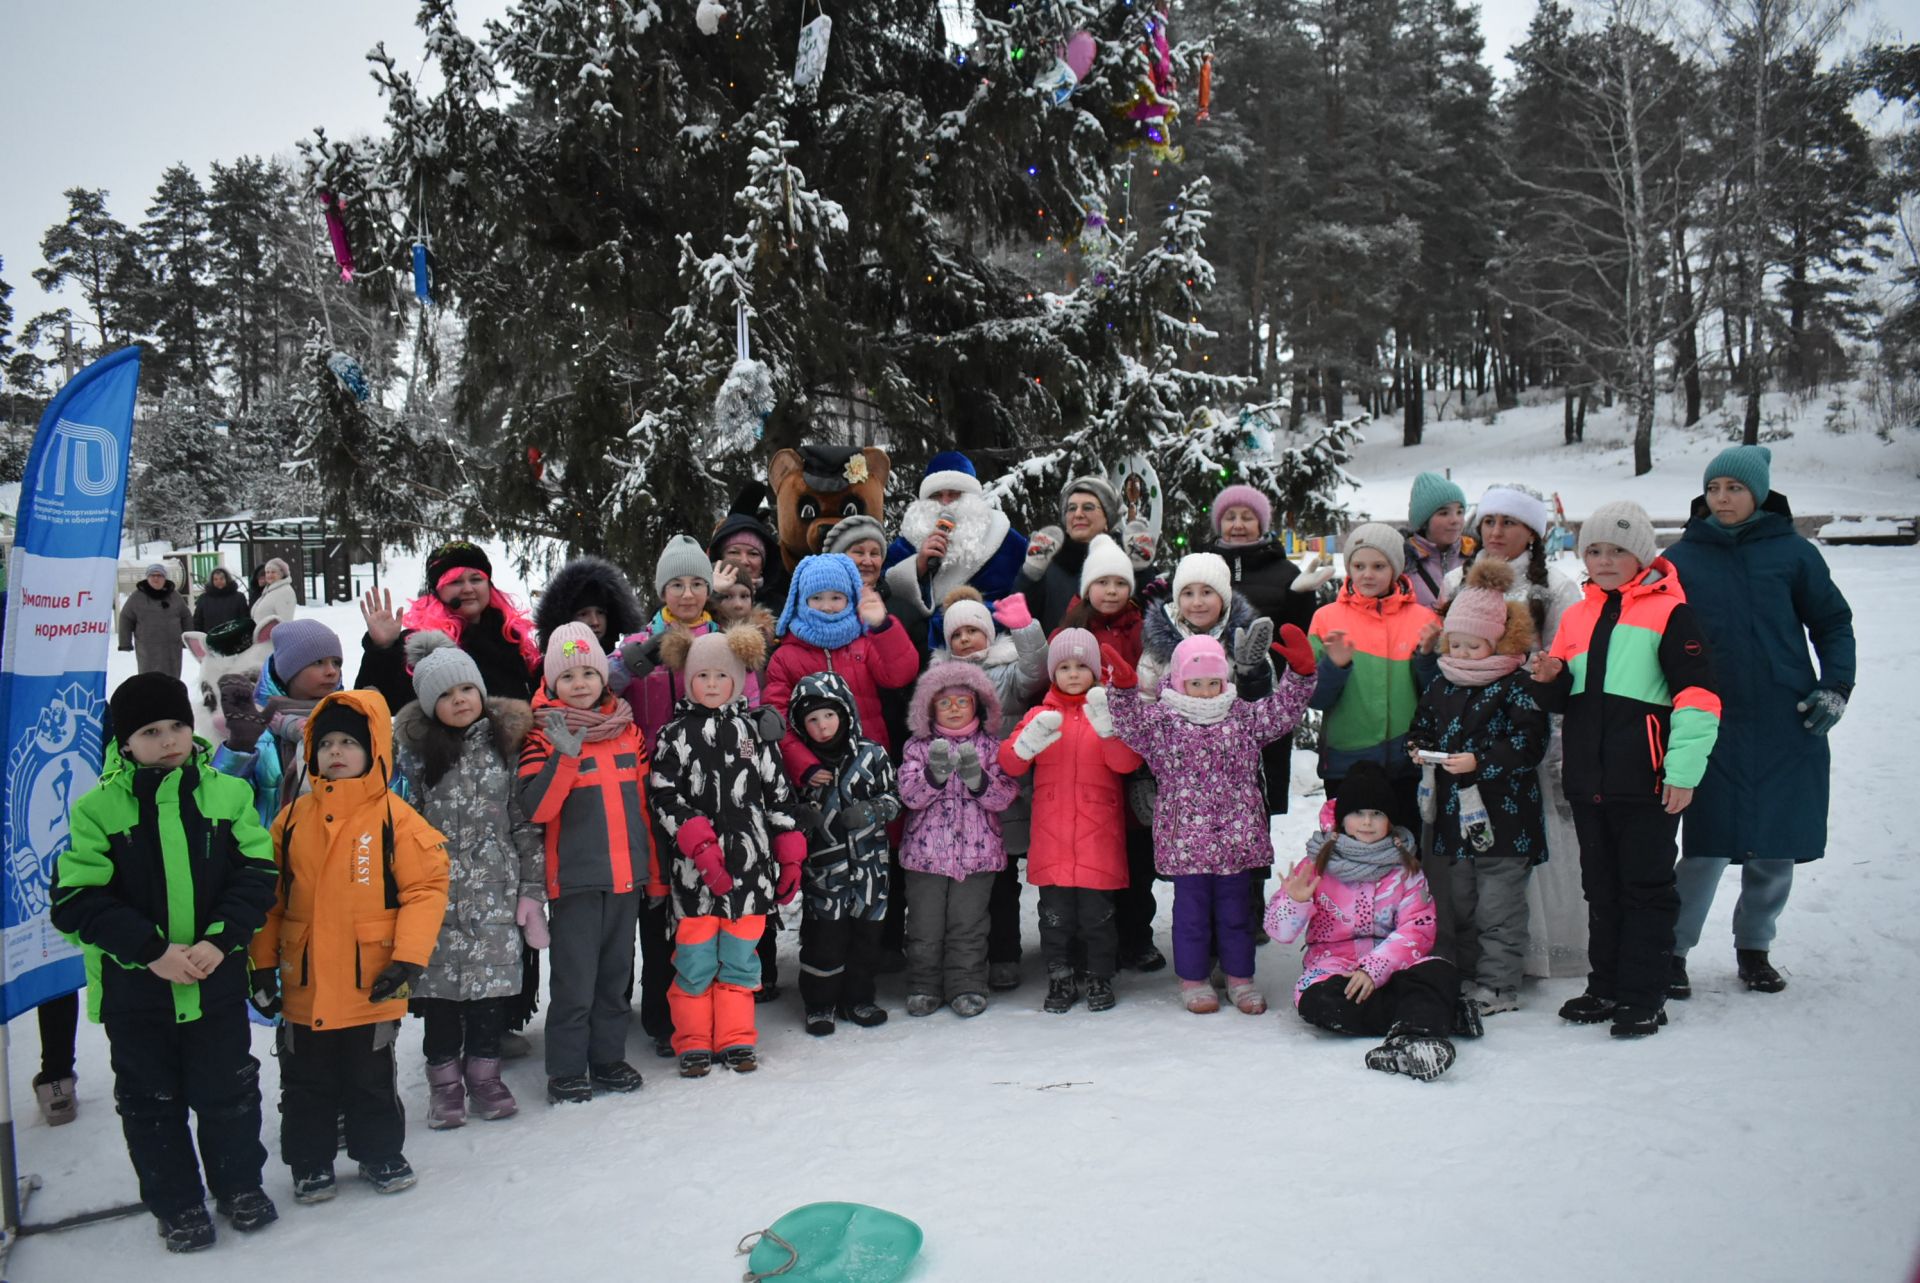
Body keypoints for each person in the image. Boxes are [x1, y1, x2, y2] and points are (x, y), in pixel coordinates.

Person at [52, 673, 279, 1252]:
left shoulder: (226, 795)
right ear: (126, 742)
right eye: (151, 731)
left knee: (229, 1093)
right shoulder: (98, 809)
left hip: (215, 984)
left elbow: (257, 874)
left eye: (177, 725)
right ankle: (176, 1203)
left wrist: (221, 939)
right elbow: (76, 900)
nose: (170, 740)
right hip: (139, 997)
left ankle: (239, 1186)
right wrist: (151, 953)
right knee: (151, 1105)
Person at [1663, 447, 1854, 997]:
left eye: (1735, 489)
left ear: (1760, 494)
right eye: (1715, 488)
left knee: (1774, 842)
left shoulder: (1795, 554)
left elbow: (1833, 623)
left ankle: (1755, 948)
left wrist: (1836, 685)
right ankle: (1674, 951)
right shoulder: (1681, 560)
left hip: (1782, 716)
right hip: (1706, 719)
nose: (1723, 498)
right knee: (1704, 844)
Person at [249, 689, 450, 1202]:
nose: (336, 752)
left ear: (375, 750)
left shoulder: (395, 818)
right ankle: (310, 1161)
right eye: (327, 743)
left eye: (349, 743)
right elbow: (268, 902)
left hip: (371, 983)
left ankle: (380, 1152)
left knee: (371, 1077)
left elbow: (425, 889)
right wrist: (261, 965)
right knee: (304, 1081)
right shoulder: (290, 820)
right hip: (305, 982)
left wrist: (407, 957)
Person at [1530, 502, 1720, 1038]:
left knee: (1646, 890)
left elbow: (1699, 697)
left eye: (1618, 550)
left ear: (1642, 555)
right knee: (1602, 888)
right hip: (1589, 781)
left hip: (1649, 782)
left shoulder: (1671, 613)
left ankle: (1644, 993)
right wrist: (1548, 678)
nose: (1606, 560)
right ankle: (1605, 985)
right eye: (1595, 550)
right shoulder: (1578, 615)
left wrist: (1682, 772)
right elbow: (1563, 697)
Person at [1107, 628, 1317, 1015]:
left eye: (1213, 682)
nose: (1205, 691)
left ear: (1225, 680)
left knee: (1237, 915)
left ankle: (1240, 979)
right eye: (1196, 682)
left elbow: (1281, 713)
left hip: (1236, 840)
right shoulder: (1163, 722)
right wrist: (1122, 689)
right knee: (1191, 918)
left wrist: (1300, 676)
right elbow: (1129, 721)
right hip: (1186, 841)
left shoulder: (1242, 717)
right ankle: (1194, 980)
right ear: (1179, 681)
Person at [391, 633, 546, 1126]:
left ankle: (484, 1078)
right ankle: (445, 1087)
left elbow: (523, 821)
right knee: (438, 1001)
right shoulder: (414, 757)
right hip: (434, 901)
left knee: (488, 999)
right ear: (429, 705)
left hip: (494, 898)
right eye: (446, 695)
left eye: (466, 691)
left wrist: (530, 891)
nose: (459, 701)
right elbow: (400, 823)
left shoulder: (505, 749)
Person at [648, 626, 810, 1077]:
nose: (713, 684)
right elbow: (662, 794)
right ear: (688, 680)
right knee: (696, 963)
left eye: (722, 675)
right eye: (703, 676)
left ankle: (737, 1040)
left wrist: (790, 851)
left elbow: (778, 794)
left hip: (750, 876)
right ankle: (694, 1041)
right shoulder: (674, 734)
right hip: (694, 878)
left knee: (740, 962)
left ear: (738, 678)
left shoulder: (754, 733)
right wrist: (697, 843)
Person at [1448, 484, 1586, 980]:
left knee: (1529, 837)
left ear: (1533, 531)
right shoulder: (1456, 581)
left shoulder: (1557, 590)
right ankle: (1475, 949)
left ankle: (1533, 949)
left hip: (1529, 732)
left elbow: (1570, 663)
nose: (1497, 532)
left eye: (1510, 522)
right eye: (1489, 522)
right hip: (1465, 732)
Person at [1408, 559, 1549, 1020]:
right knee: (1460, 900)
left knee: (1499, 906)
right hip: (1455, 818)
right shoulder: (1441, 683)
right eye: (1457, 643)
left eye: (1475, 645)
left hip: (1506, 821)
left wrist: (1482, 762)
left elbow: (1529, 744)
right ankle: (1470, 972)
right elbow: (1423, 726)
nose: (1464, 654)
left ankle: (1500, 982)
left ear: (1498, 641)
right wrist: (1420, 750)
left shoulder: (1516, 685)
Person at [516, 624, 652, 1103]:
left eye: (588, 672)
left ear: (603, 677)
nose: (579, 683)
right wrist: (566, 757)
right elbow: (537, 809)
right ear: (552, 684)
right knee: (576, 980)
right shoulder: (542, 736)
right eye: (567, 675)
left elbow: (643, 811)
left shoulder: (627, 732)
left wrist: (651, 877)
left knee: (616, 977)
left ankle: (608, 1057)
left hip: (625, 879)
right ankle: (567, 1067)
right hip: (574, 881)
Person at [1264, 762, 1457, 1081]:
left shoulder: (1405, 869)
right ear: (1342, 819)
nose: (1367, 822)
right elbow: (1278, 931)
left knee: (1440, 971)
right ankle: (1428, 1014)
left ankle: (1411, 1037)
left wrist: (1375, 968)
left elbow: (1418, 928)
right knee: (1316, 1000)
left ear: (1390, 820)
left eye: (1377, 814)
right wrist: (1294, 901)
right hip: (1334, 967)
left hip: (1394, 966)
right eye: (1358, 813)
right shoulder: (1317, 864)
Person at [996, 629, 1143, 1013]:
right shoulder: (1038, 715)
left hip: (1099, 837)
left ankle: (1099, 976)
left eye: (1082, 666)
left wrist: (1110, 730)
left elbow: (1127, 763)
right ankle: (1060, 977)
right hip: (1052, 837)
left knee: (1098, 917)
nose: (1073, 673)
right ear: (1052, 672)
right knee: (1055, 917)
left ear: (1095, 672)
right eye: (1064, 667)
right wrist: (1027, 741)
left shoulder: (1106, 712)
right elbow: (1009, 763)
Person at [898, 661, 1019, 1018]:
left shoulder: (991, 747)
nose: (954, 709)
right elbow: (910, 795)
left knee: (968, 926)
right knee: (924, 925)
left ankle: (966, 985)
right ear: (929, 708)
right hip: (926, 857)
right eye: (945, 703)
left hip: (977, 856)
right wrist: (934, 777)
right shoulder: (918, 748)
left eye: (962, 702)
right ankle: (923, 984)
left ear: (977, 706)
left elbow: (1005, 796)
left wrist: (977, 779)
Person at [785, 672, 901, 1035]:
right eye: (813, 720)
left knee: (867, 939)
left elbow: (895, 798)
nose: (822, 727)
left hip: (870, 870)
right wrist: (803, 815)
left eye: (829, 716)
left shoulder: (872, 755)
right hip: (825, 871)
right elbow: (784, 807)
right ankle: (820, 1003)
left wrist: (872, 812)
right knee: (825, 940)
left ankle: (859, 997)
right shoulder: (802, 766)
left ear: (846, 713)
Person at [1306, 523, 1442, 827]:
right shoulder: (1326, 619)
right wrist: (1335, 666)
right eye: (1359, 565)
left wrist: (1426, 657)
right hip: (1346, 762)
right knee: (1349, 852)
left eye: (1378, 566)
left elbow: (1436, 696)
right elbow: (1314, 698)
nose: (1367, 574)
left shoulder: (1423, 619)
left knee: (1406, 851)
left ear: (1395, 568)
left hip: (1407, 762)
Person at [358, 540, 542, 715]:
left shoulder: (512, 638)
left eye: (476, 579)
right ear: (437, 590)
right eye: (455, 582)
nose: (468, 589)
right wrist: (382, 649)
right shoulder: (420, 645)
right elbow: (373, 705)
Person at [882, 451, 1030, 640]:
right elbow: (882, 588)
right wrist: (917, 567)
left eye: (954, 494)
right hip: (928, 647)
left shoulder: (1002, 535)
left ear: (971, 497)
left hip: (993, 641)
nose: (945, 503)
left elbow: (1029, 591)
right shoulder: (911, 539)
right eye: (936, 495)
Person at [213, 618, 345, 827]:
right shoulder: (255, 726)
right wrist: (238, 749)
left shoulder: (347, 720)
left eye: (336, 662)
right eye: (318, 662)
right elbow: (219, 800)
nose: (331, 671)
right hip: (270, 848)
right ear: (287, 670)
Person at [1018, 476, 1155, 634]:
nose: (1078, 514)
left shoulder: (1127, 561)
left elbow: (1154, 621)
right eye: (1071, 508)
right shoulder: (1046, 561)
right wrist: (1030, 575)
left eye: (1088, 507)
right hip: (1058, 657)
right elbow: (1017, 624)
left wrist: (1142, 572)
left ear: (1107, 519)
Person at [534, 555, 645, 659]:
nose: (595, 621)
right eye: (583, 614)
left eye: (600, 613)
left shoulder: (624, 667)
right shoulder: (550, 669)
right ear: (566, 620)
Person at [1402, 472, 1470, 609]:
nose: (1455, 520)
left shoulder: (1477, 556)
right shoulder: (1402, 564)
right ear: (1424, 521)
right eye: (1444, 513)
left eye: (1460, 512)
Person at [119, 562, 192, 679]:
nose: (156, 578)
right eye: (153, 575)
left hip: (172, 648)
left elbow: (186, 616)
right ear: (148, 578)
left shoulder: (174, 596)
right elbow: (126, 618)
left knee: (172, 679)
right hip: (147, 649)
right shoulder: (137, 597)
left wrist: (188, 639)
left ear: (164, 578)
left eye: (159, 575)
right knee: (149, 679)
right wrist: (125, 643)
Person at [191, 567, 251, 634]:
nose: (218, 581)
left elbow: (244, 619)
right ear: (212, 581)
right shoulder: (204, 599)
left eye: (221, 579)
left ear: (227, 579)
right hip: (210, 639)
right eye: (215, 579)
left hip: (234, 638)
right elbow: (197, 621)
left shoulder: (239, 597)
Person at [250, 558, 298, 629]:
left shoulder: (285, 591)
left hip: (272, 638)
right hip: (262, 637)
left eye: (273, 572)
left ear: (281, 574)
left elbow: (285, 621)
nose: (269, 575)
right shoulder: (270, 589)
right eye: (267, 572)